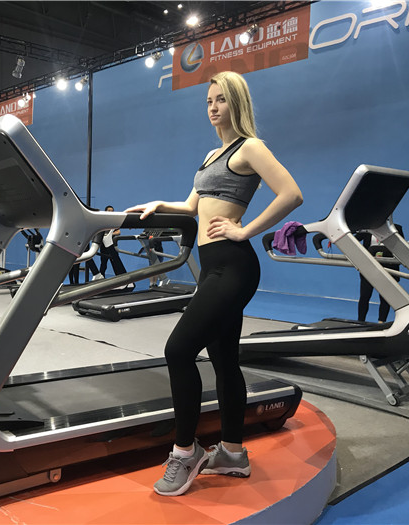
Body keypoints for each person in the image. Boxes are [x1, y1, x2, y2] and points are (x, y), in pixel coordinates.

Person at [126, 71, 303, 497]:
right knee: (224, 361)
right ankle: (233, 453)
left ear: (236, 103)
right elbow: (193, 206)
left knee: (178, 350)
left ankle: (185, 452)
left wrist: (245, 230)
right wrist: (160, 204)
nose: (213, 107)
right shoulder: (212, 154)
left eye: (221, 99)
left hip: (233, 266)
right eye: (209, 100)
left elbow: (291, 193)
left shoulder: (250, 147)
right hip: (212, 267)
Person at [356, 225, 403, 323]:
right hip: (369, 268)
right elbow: (352, 239)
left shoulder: (396, 228)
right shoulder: (366, 228)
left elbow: (401, 248)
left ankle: (381, 322)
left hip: (389, 268)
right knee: (364, 296)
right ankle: (360, 321)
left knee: (385, 298)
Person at [98, 206, 127, 277]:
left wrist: (110, 235)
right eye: (109, 210)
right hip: (103, 245)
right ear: (105, 211)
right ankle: (101, 277)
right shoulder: (102, 222)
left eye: (112, 211)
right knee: (103, 262)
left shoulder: (114, 222)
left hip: (112, 244)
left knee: (115, 262)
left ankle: (119, 277)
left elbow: (118, 232)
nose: (110, 212)